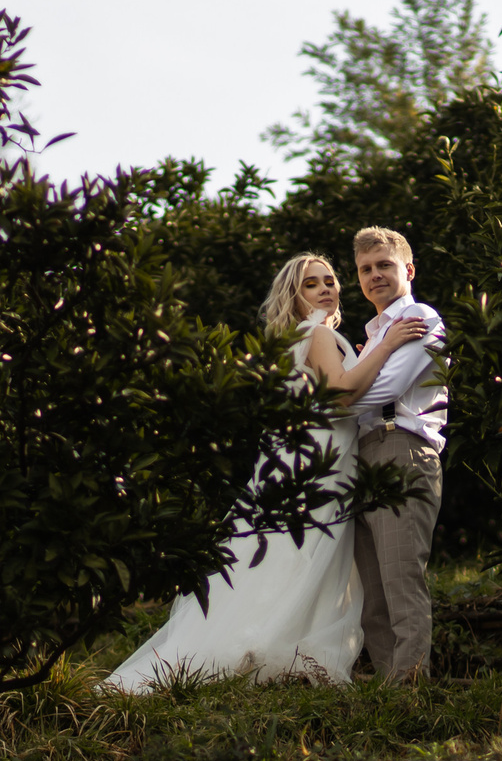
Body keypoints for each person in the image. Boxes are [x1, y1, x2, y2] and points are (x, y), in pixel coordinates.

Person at [103, 252, 430, 691]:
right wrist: (388, 344)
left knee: (288, 558)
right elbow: (340, 391)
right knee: (306, 556)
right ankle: (277, 652)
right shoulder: (317, 335)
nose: (326, 289)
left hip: (298, 461)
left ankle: (269, 644)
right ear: (295, 297)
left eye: (330, 280)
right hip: (322, 462)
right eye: (312, 284)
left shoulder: (294, 341)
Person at [349, 226, 447, 683]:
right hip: (364, 456)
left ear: (408, 269)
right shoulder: (371, 336)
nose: (375, 276)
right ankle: (391, 697)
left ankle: (411, 691)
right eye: (366, 269)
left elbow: (386, 389)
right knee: (372, 593)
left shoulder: (420, 317)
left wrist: (329, 400)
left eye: (384, 265)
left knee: (400, 578)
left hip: (402, 449)